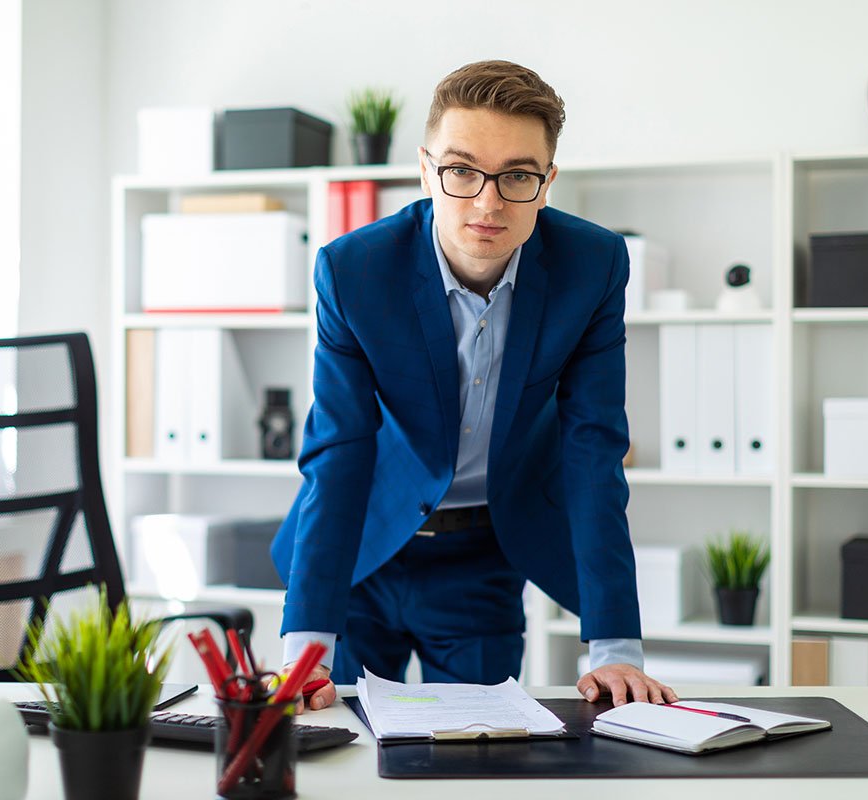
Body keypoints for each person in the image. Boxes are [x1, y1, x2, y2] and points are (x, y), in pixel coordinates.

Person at [271, 60, 676, 712]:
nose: (488, 203)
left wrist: (616, 649)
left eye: (517, 175)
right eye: (461, 171)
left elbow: (593, 450)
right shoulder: (354, 272)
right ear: (426, 170)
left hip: (483, 555)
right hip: (360, 548)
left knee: (481, 750)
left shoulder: (593, 267)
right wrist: (306, 650)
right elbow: (338, 452)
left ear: (546, 183)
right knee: (335, 742)